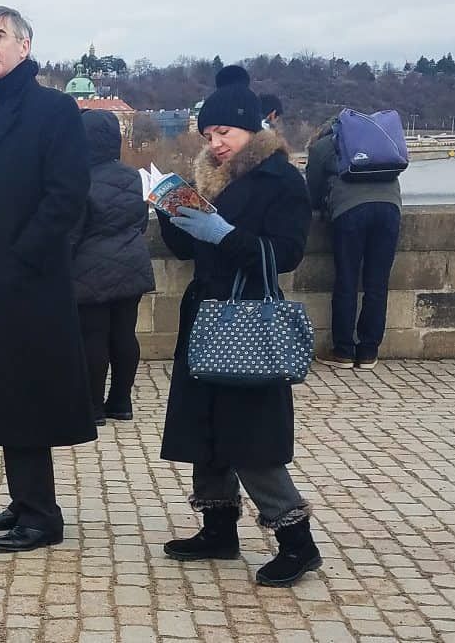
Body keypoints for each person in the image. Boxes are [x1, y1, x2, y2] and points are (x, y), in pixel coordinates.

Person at [157, 65, 322, 588]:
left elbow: (286, 256)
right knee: (204, 430)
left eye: (224, 132)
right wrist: (172, 213)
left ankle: (298, 543)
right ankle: (218, 529)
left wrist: (223, 232)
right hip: (206, 315)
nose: (216, 142)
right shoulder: (211, 179)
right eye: (208, 134)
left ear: (252, 129)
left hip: (248, 321)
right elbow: (189, 249)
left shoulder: (281, 180)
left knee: (249, 438)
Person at [0, 6, 94, 553]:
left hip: (29, 281)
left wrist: (21, 257)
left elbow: (66, 195)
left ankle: (42, 515)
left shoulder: (53, 109)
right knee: (7, 395)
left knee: (28, 396)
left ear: (25, 46)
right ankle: (23, 499)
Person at [70, 109, 155, 425]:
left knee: (93, 336)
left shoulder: (79, 179)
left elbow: (72, 232)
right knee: (124, 334)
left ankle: (92, 407)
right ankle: (121, 401)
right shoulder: (133, 176)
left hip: (91, 267)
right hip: (131, 263)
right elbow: (140, 223)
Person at [305, 116, 402, 370]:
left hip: (350, 212)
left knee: (347, 280)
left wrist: (320, 206)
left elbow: (312, 188)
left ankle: (344, 352)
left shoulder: (325, 145)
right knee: (377, 284)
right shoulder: (378, 141)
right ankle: (369, 352)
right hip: (389, 210)